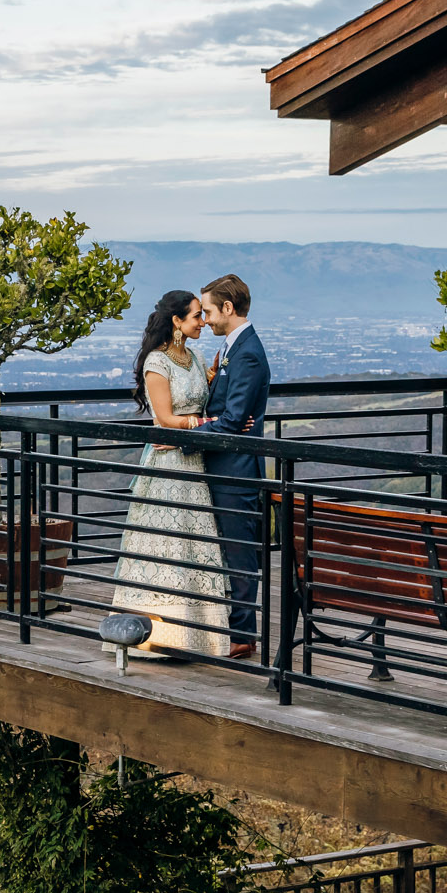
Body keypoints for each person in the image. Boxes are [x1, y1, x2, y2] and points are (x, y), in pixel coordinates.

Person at [109, 290, 231, 658]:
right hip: (167, 466)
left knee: (193, 545)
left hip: (193, 463)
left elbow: (195, 400)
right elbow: (164, 418)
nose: (202, 321)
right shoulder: (156, 363)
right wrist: (206, 423)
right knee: (166, 543)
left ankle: (199, 637)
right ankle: (157, 636)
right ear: (177, 321)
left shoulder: (193, 358)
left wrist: (210, 381)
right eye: (196, 316)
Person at [192, 273, 271, 655]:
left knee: (239, 554)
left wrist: (188, 435)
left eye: (208, 311)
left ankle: (242, 635)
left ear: (228, 308)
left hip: (236, 470)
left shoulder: (248, 352)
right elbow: (227, 415)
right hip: (223, 464)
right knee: (223, 551)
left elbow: (234, 419)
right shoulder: (232, 349)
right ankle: (229, 628)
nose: (204, 319)